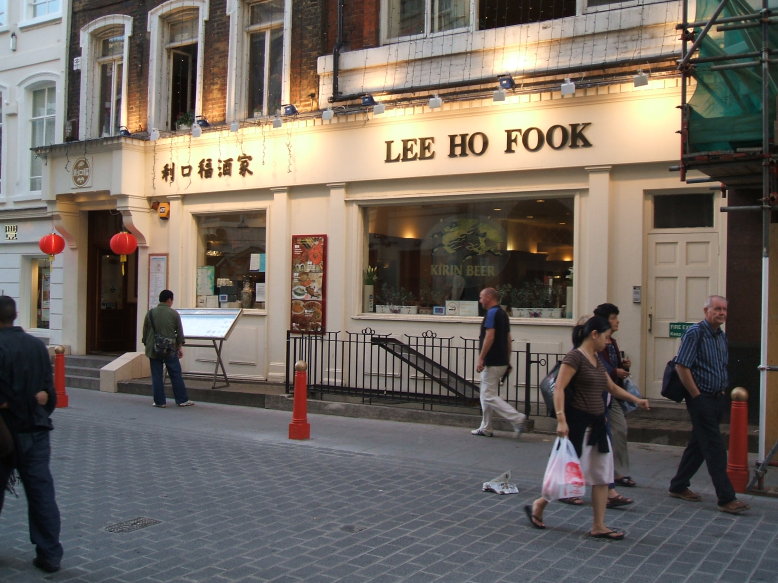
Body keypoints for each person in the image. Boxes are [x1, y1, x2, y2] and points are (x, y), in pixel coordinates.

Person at [524, 316, 650, 539]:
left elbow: (610, 387)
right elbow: (559, 388)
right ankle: (539, 504)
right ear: (594, 334)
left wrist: (636, 400)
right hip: (578, 425)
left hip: (598, 426)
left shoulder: (595, 358)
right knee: (565, 474)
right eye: (606, 336)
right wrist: (561, 420)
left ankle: (599, 525)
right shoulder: (575, 357)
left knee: (602, 475)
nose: (608, 342)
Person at [668, 295, 749, 514]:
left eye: (724, 309)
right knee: (715, 448)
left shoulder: (721, 336)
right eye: (717, 309)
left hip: (717, 397)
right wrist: (696, 395)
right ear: (706, 311)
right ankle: (726, 498)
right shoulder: (696, 333)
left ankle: (678, 485)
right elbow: (682, 366)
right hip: (701, 397)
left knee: (698, 444)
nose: (721, 313)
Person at [0, 296, 63, 573]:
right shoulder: (37, 346)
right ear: (15, 316)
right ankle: (49, 553)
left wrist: (12, 403)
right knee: (41, 493)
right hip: (36, 429)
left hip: (3, 431)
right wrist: (35, 401)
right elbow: (48, 394)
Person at [593, 303, 637, 508]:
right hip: (596, 398)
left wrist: (622, 367)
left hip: (612, 397)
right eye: (613, 317)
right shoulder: (594, 343)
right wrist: (615, 373)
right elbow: (598, 369)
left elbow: (612, 368)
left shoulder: (612, 342)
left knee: (619, 430)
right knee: (590, 443)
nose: (617, 321)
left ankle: (615, 476)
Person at [471, 287, 526, 438]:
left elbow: (490, 336)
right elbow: (508, 338)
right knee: (486, 394)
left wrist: (481, 357)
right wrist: (507, 359)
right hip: (501, 360)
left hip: (492, 361)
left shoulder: (492, 313)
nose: (480, 300)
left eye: (482, 297)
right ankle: (486, 427)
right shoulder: (503, 313)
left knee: (488, 395)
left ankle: (516, 418)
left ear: (489, 297)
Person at [142, 290, 195, 408]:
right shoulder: (174, 314)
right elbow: (179, 334)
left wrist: (147, 344)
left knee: (156, 375)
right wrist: (179, 347)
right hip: (169, 349)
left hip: (153, 349)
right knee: (175, 374)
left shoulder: (150, 313)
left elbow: (145, 332)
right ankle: (181, 400)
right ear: (169, 300)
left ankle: (159, 401)